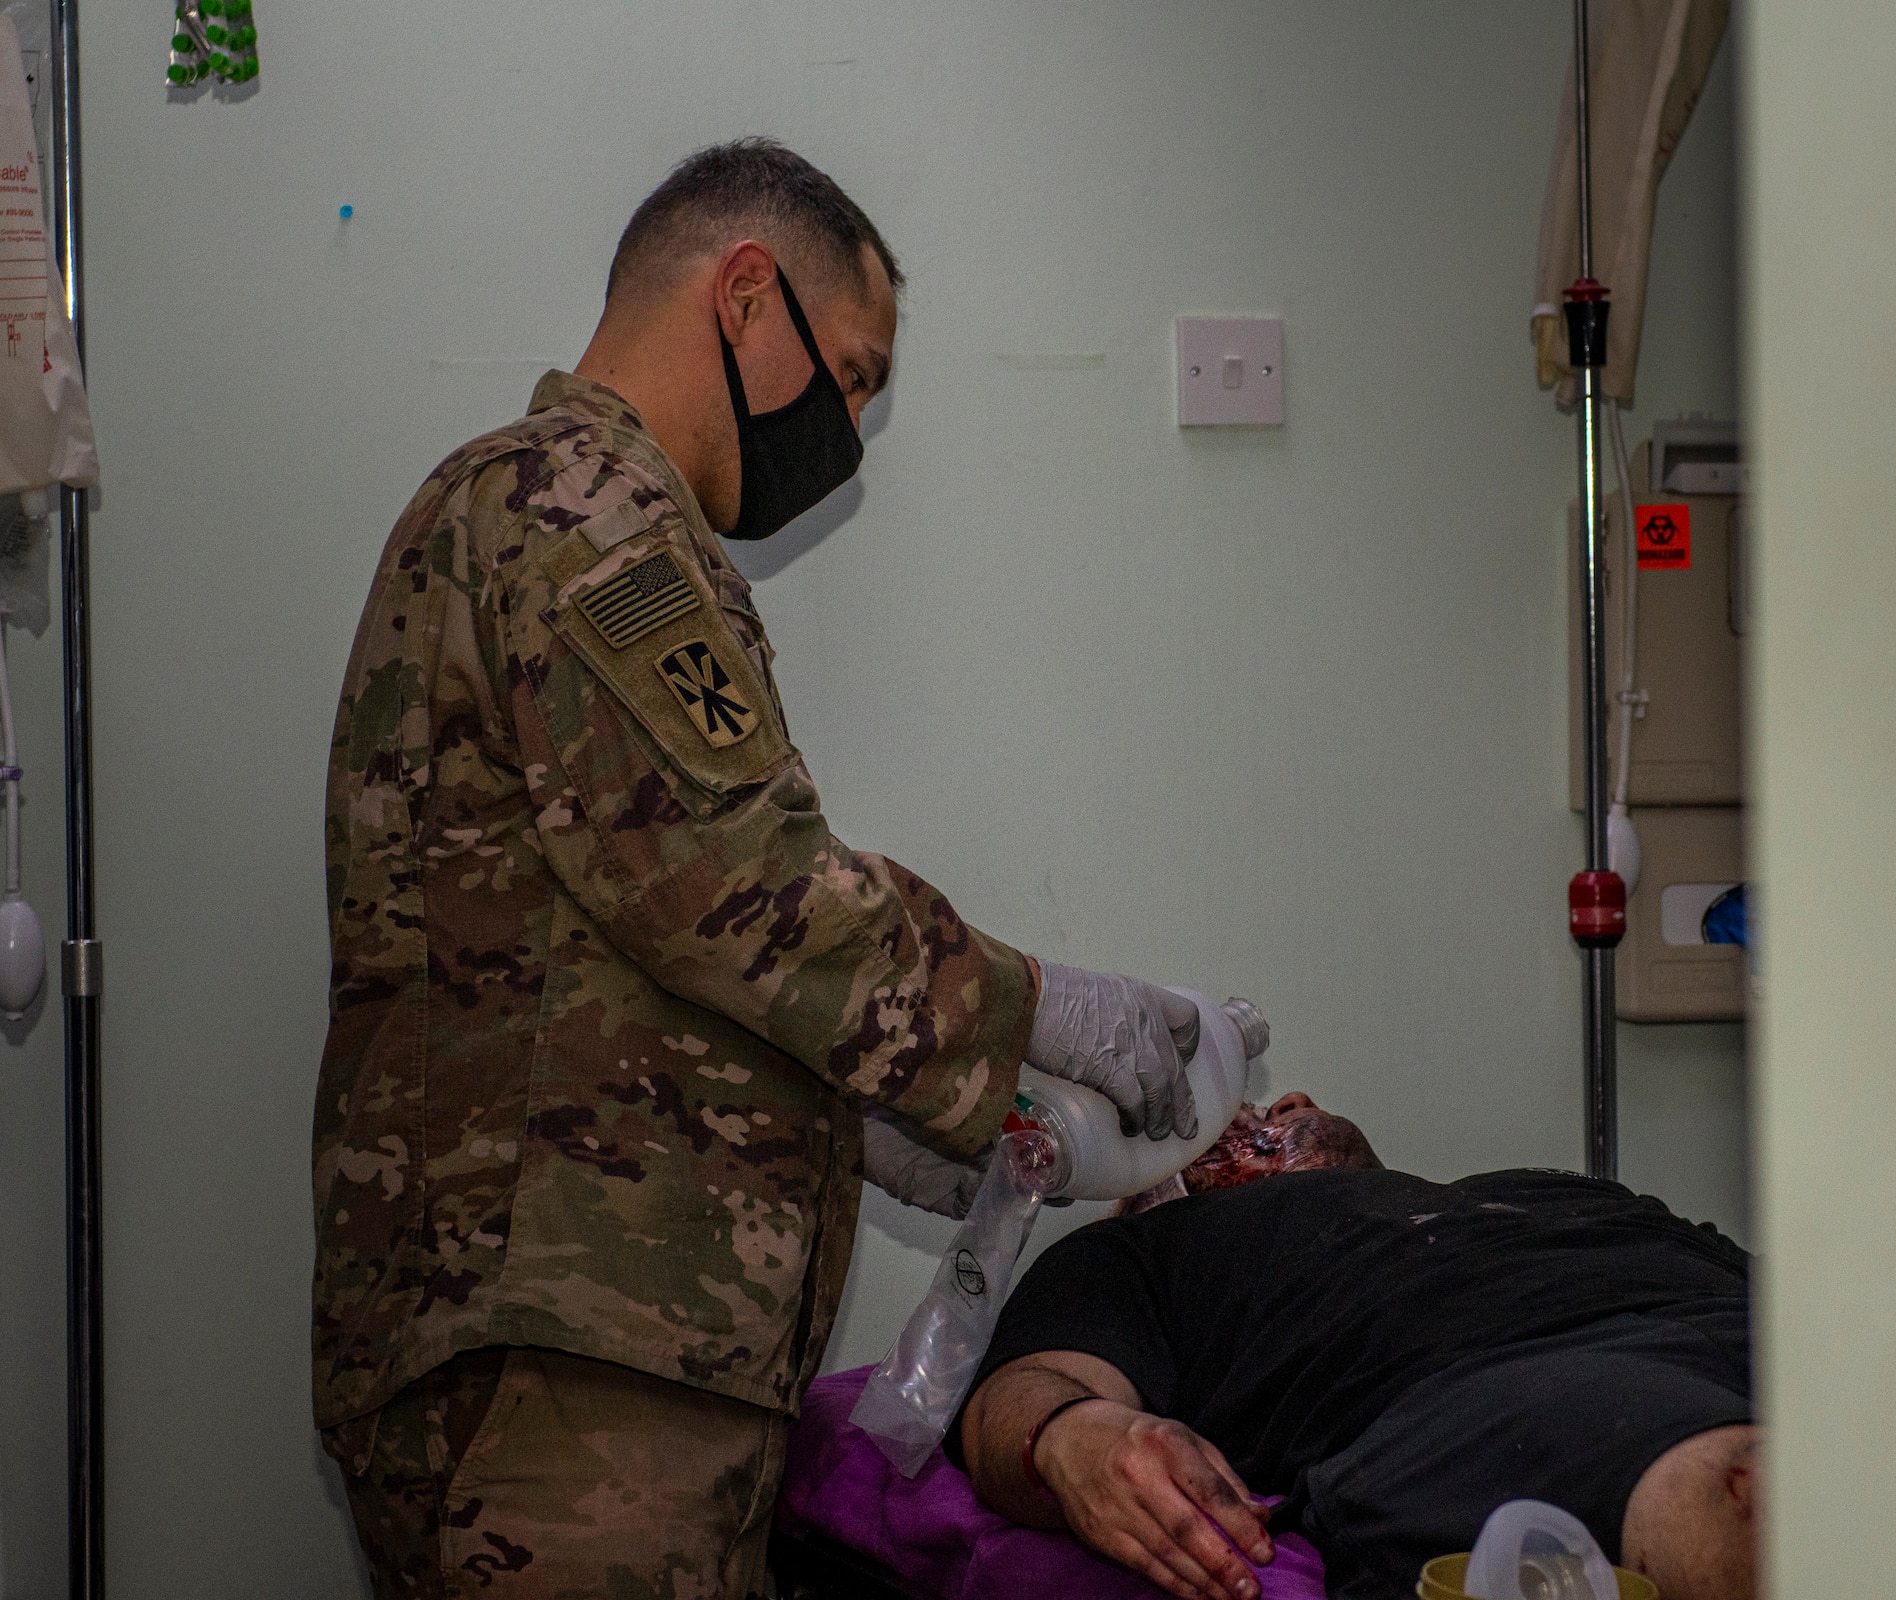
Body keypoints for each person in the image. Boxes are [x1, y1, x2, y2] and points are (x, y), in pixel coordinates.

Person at [311, 138, 1220, 1600]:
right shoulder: (582, 510)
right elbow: (740, 887)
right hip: (583, 1360)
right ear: (744, 298)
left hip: (579, 1336)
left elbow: (601, 954)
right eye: (853, 373)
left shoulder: (555, 517)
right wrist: (1042, 1011)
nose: (849, 428)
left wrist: (852, 1119)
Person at [954, 1096, 1756, 1600]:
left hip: (1745, 1322)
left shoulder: (1549, 1188)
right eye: (1208, 1140)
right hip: (1515, 1385)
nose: (1259, 1114)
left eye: (1265, 1109)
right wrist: (1071, 1439)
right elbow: (1023, 1394)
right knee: (1750, 1486)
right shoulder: (1151, 1252)